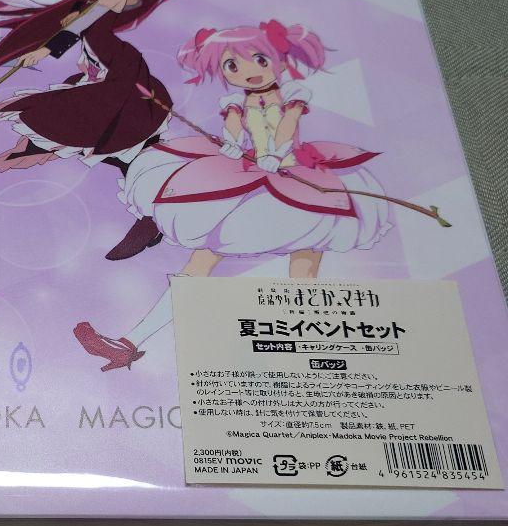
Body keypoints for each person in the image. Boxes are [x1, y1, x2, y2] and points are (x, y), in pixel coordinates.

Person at [74, 20, 391, 371]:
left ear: (279, 59)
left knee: (304, 264)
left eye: (260, 59)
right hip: (253, 177)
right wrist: (232, 143)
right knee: (203, 258)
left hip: (296, 175)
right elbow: (235, 131)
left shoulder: (293, 96)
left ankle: (310, 356)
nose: (248, 71)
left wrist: (277, 153)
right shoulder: (235, 102)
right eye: (232, 65)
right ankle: (130, 342)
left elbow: (287, 128)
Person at [0, 0, 180, 260]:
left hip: (119, 71)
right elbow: (82, 22)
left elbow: (82, 26)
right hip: (100, 69)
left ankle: (153, 211)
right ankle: (152, 210)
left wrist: (45, 50)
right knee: (116, 141)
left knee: (105, 130)